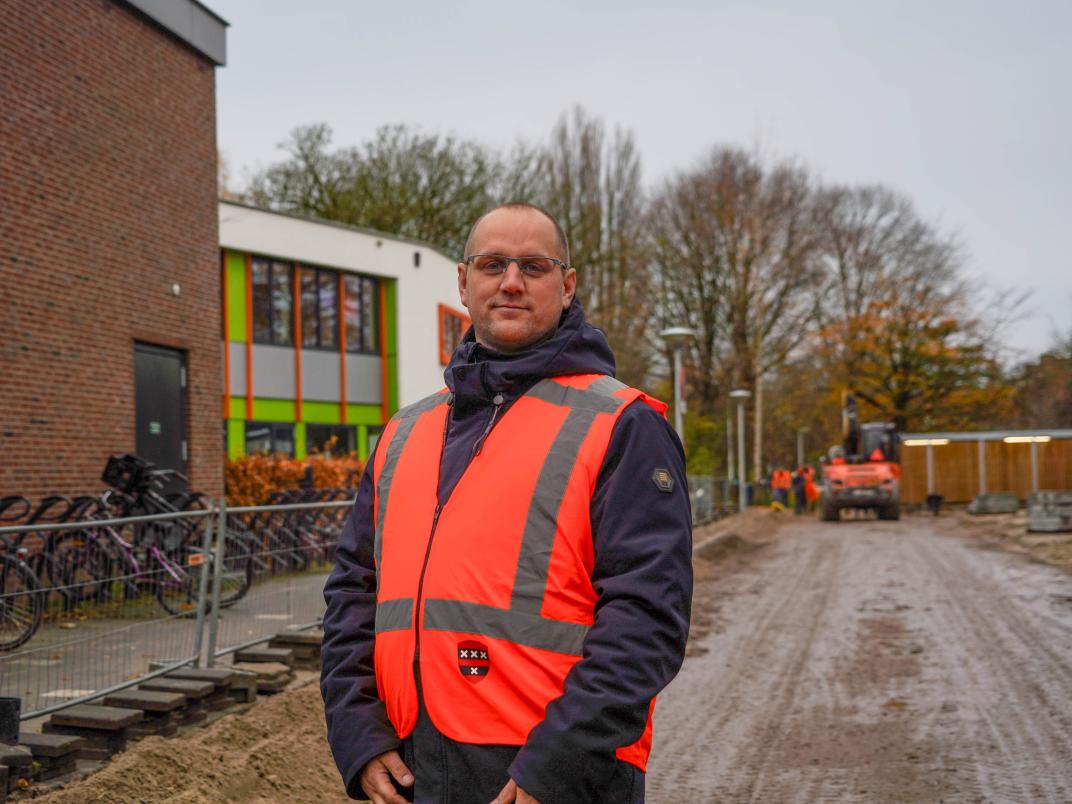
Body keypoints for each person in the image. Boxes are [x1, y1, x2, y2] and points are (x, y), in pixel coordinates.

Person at [321, 203, 693, 804]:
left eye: (535, 266)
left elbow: (647, 618)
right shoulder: (404, 433)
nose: (512, 282)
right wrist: (358, 736)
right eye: (493, 264)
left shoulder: (623, 425)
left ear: (566, 286)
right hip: (412, 767)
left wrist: (558, 765)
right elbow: (352, 595)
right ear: (464, 282)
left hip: (551, 774)